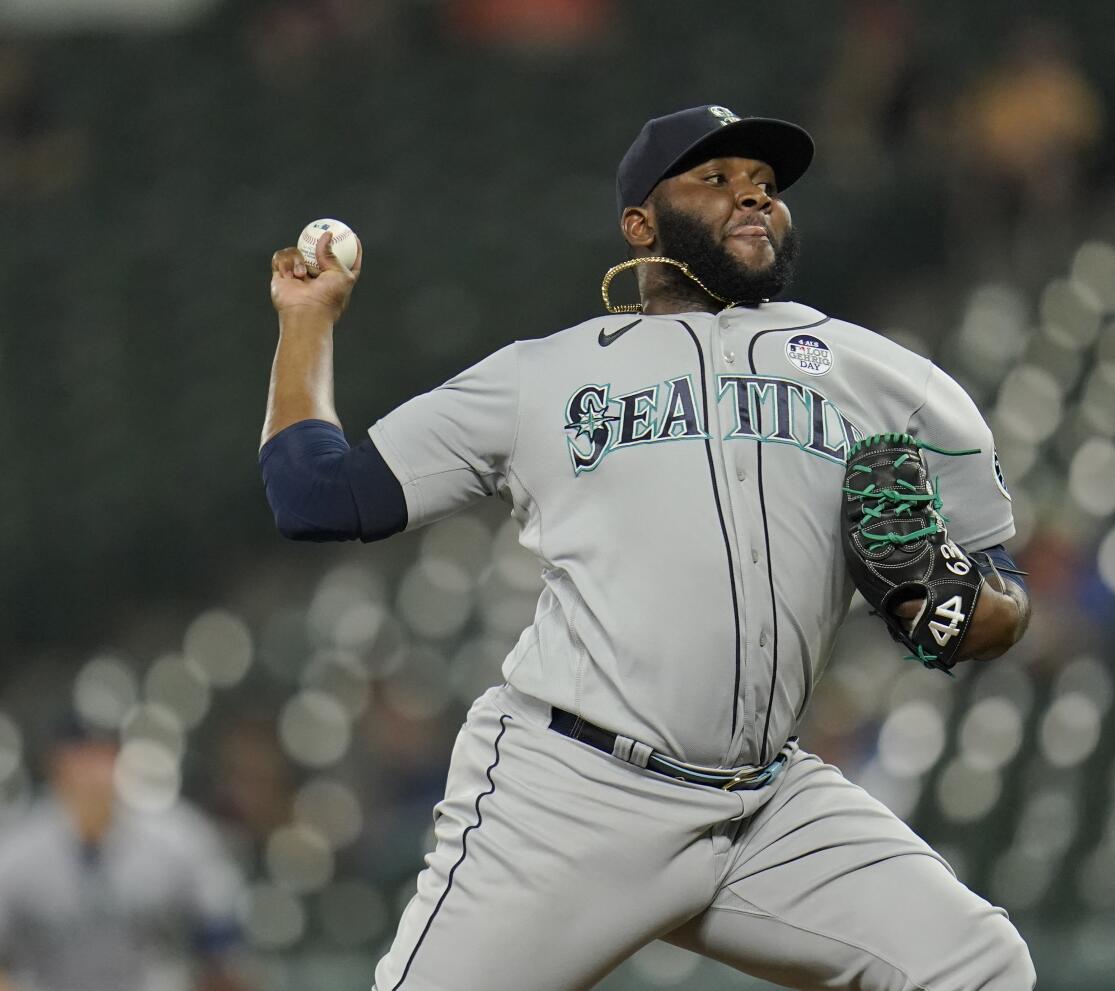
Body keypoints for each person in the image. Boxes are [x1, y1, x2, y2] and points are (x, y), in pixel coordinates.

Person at [258, 105, 1035, 991]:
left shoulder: (885, 377)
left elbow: (997, 583)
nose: (751, 194)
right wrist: (307, 322)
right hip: (576, 791)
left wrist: (969, 610)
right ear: (639, 225)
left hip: (763, 802)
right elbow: (316, 496)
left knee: (977, 963)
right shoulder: (543, 374)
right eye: (715, 178)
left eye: (766, 185)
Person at [0, 720, 247, 991]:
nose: (91, 773)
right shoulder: (16, 851)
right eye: (80, 758)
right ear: (56, 766)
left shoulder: (178, 837)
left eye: (101, 757)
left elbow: (222, 948)